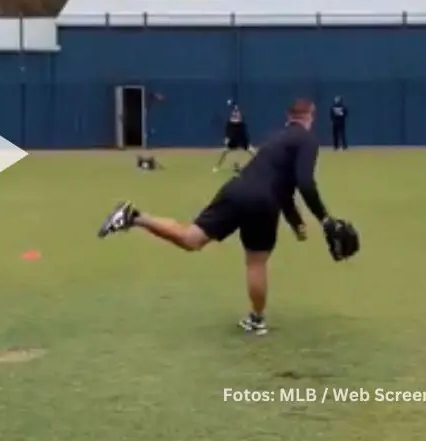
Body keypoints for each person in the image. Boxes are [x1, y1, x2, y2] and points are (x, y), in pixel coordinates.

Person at [98, 99, 356, 336]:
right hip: (263, 202)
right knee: (256, 262)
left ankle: (135, 216)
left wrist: (296, 222)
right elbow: (304, 183)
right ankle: (256, 319)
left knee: (191, 238)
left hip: (237, 187)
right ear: (311, 116)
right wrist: (324, 218)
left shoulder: (275, 140)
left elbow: (282, 186)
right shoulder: (307, 140)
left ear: (289, 117)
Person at [213, 102, 255, 172]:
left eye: (237, 112)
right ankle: (217, 166)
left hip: (241, 138)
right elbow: (228, 131)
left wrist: (247, 141)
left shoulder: (241, 123)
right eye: (234, 112)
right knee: (225, 151)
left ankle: (260, 164)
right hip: (234, 139)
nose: (235, 113)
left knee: (252, 151)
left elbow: (244, 132)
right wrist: (227, 138)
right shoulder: (230, 123)